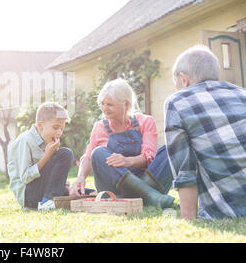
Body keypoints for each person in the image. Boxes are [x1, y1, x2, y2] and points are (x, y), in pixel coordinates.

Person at [164, 45, 246, 220]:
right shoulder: (242, 94)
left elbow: (184, 170)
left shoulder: (177, 102)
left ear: (184, 79)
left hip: (230, 211)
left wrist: (189, 220)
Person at [70, 78, 174, 208]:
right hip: (114, 188)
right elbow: (89, 157)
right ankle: (149, 196)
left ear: (126, 104)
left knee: (171, 149)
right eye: (102, 104)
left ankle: (142, 194)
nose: (104, 108)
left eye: (109, 104)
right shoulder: (100, 127)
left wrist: (127, 161)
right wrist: (81, 177)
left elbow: (149, 157)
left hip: (146, 180)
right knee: (98, 153)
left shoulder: (146, 122)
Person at [8, 102, 73, 210]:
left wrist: (63, 183)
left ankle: (50, 199)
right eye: (55, 127)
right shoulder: (25, 140)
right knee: (65, 153)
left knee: (81, 192)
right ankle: (47, 202)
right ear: (40, 125)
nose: (59, 133)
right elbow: (25, 177)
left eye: (61, 129)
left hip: (42, 191)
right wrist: (47, 156)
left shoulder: (47, 141)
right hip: (28, 196)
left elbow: (51, 173)